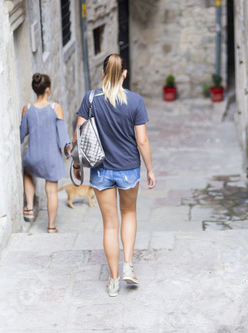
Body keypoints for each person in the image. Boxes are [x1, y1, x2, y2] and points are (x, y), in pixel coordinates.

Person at [73, 54, 156, 297]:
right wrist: (150, 169)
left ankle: (113, 280)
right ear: (124, 74)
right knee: (129, 212)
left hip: (101, 170)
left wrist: (77, 167)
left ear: (102, 73)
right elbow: (142, 140)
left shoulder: (90, 99)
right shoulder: (135, 101)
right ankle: (128, 265)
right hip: (129, 168)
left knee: (110, 224)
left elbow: (79, 135)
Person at [20, 73, 71, 233]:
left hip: (33, 157)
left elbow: (22, 134)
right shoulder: (56, 108)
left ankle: (28, 207)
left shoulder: (27, 108)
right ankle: (51, 226)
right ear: (48, 89)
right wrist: (68, 152)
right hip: (51, 159)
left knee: (27, 172)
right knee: (51, 191)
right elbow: (63, 136)